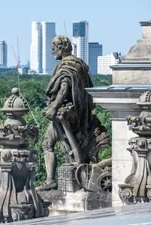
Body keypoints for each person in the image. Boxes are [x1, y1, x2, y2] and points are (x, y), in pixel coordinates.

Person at [37, 35, 108, 191]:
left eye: (53, 49)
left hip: (67, 114)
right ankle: (72, 175)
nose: (52, 52)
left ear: (61, 48)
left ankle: (51, 180)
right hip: (80, 113)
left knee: (48, 144)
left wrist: (53, 107)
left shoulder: (66, 66)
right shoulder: (79, 64)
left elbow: (64, 87)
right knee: (66, 146)